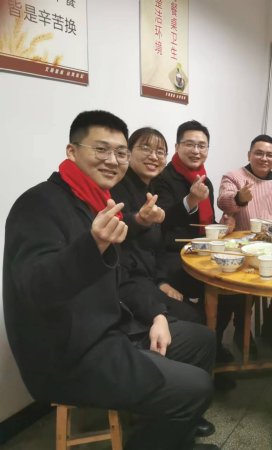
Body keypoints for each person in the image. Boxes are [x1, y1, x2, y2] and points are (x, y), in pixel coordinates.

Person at [3, 111, 218, 450]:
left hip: (111, 327)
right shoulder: (38, 204)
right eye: (101, 149)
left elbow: (126, 274)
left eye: (120, 152)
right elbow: (33, 289)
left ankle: (175, 431)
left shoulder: (96, 202)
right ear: (72, 151)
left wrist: (157, 314)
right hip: (70, 354)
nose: (113, 160)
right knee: (197, 387)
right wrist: (92, 246)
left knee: (202, 340)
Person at [151, 121, 236, 365]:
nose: (196, 151)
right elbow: (162, 222)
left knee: (231, 291)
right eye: (189, 144)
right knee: (202, 302)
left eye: (202, 145)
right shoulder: (163, 178)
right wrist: (190, 200)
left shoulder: (204, 180)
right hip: (172, 256)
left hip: (201, 254)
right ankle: (202, 351)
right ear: (177, 146)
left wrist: (222, 225)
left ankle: (214, 343)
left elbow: (204, 225)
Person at [112, 127, 204, 324]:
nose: (154, 156)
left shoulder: (152, 185)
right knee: (195, 318)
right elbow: (120, 226)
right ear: (128, 152)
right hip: (127, 281)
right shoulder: (117, 185)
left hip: (152, 272)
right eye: (146, 148)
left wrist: (161, 281)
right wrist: (140, 219)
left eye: (160, 152)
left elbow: (158, 240)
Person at [217, 134, 272, 355]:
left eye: (269, 155)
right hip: (241, 248)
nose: (264, 158)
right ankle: (242, 330)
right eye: (259, 153)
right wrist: (240, 198)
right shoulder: (234, 176)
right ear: (249, 154)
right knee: (239, 288)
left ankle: (270, 324)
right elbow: (223, 201)